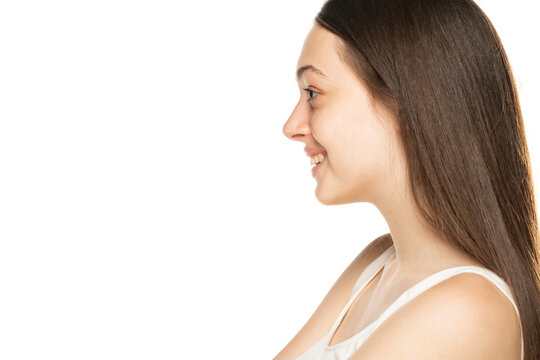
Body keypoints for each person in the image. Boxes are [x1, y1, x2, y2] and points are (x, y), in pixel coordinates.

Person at [275, 0, 540, 359]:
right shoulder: (376, 264)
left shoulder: (467, 310)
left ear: (402, 101)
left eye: (313, 94)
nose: (292, 127)